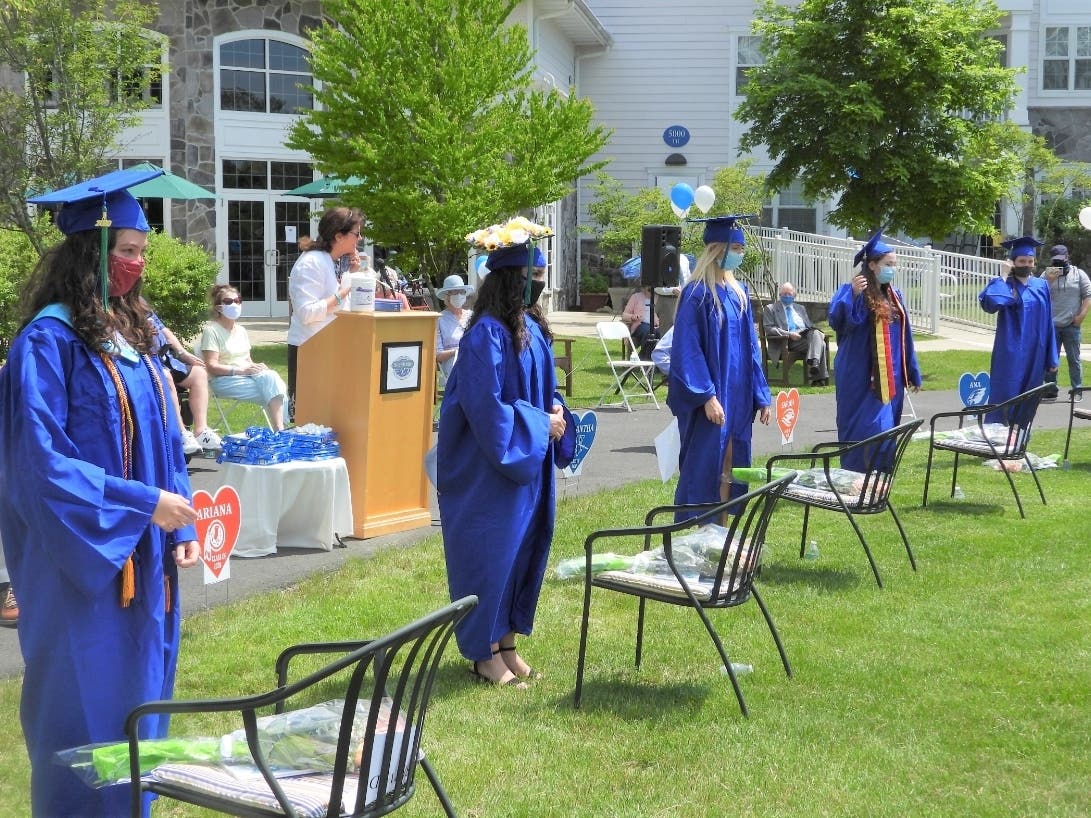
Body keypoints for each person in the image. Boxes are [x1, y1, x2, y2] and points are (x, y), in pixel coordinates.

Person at [0, 171, 200, 816]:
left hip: (146, 557)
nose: (137, 264)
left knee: (142, 698)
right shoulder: (48, 342)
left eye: (143, 252)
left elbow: (166, 435)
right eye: (127, 251)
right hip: (81, 562)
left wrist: (182, 521)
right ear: (91, 251)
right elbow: (40, 466)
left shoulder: (135, 332)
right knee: (82, 707)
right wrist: (144, 505)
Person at [437, 228, 573, 689]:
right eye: (534, 277)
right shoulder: (485, 336)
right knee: (492, 556)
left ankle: (508, 643)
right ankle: (485, 653)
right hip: (490, 472)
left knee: (523, 552)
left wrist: (556, 411)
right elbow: (486, 410)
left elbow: (543, 391)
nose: (541, 285)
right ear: (511, 280)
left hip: (528, 464)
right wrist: (539, 425)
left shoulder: (530, 329)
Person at [668, 216, 771, 518]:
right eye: (735, 248)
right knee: (707, 463)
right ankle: (705, 530)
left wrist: (761, 395)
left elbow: (752, 348)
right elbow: (687, 350)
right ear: (717, 250)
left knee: (731, 462)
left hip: (738, 395)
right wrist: (706, 396)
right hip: (713, 394)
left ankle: (721, 531)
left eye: (741, 248)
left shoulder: (739, 293)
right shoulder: (697, 293)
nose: (740, 254)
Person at [829, 231, 922, 472]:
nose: (892, 269)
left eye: (894, 265)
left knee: (886, 428)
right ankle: (855, 477)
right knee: (864, 429)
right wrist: (853, 295)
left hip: (891, 378)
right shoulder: (850, 291)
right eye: (888, 264)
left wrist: (912, 371)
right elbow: (838, 322)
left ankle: (880, 479)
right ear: (872, 265)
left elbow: (905, 337)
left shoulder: (894, 296)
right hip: (860, 376)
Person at [286, 208, 362, 405]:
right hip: (310, 350)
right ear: (339, 236)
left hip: (330, 349)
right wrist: (343, 292)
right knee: (308, 418)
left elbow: (339, 304)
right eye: (356, 233)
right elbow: (306, 313)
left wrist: (352, 274)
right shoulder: (311, 263)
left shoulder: (330, 261)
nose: (360, 238)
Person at [979, 236, 1058, 424]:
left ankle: (1021, 437)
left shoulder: (1041, 286)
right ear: (1013, 262)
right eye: (1022, 261)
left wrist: (1052, 357)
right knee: (1006, 394)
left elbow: (1048, 322)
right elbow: (992, 303)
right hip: (1011, 352)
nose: (1027, 265)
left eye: (1030, 261)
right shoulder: (1005, 284)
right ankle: (998, 436)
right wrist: (1003, 275)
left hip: (1036, 352)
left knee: (1030, 395)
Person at [199, 283, 289, 430]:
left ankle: (280, 430)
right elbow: (211, 366)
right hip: (223, 380)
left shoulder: (241, 330)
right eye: (228, 301)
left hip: (246, 376)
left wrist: (257, 367)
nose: (234, 304)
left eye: (237, 300)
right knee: (276, 388)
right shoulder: (212, 331)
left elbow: (247, 360)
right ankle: (281, 430)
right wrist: (241, 371)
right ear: (218, 307)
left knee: (271, 378)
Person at [144, 302, 221, 453]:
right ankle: (182, 433)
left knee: (199, 373)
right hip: (145, 363)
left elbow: (164, 330)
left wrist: (183, 353)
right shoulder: (117, 306)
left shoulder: (140, 304)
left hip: (165, 359)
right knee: (166, 377)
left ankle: (201, 431)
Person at [1041, 244, 1090, 401]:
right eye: (1055, 260)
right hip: (1051, 326)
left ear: (1067, 257)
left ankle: (1077, 390)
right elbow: (1037, 294)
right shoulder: (1046, 275)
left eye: (1061, 259)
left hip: (1071, 325)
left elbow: (1088, 296)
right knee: (1051, 359)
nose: (1059, 263)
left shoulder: (1079, 274)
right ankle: (1050, 390)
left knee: (1074, 359)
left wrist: (1081, 317)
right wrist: (1049, 281)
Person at [762, 282, 829, 385]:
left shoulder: (800, 308)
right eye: (784, 294)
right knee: (822, 344)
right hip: (785, 341)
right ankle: (818, 378)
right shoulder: (770, 308)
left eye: (789, 294)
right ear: (780, 295)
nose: (787, 296)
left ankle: (815, 362)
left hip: (803, 337)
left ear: (794, 295)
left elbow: (809, 325)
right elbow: (769, 328)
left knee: (816, 334)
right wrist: (789, 334)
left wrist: (818, 333)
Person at [435, 274, 474, 380]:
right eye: (455, 292)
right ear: (447, 296)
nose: (459, 295)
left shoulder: (472, 316)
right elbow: (438, 356)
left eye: (462, 292)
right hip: (452, 372)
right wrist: (458, 351)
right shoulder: (439, 319)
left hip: (473, 367)